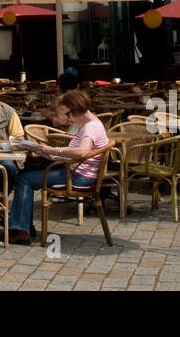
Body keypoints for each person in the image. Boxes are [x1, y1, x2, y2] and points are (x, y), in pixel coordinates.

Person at [7, 89, 108, 244]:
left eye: (68, 114)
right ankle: (23, 226)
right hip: (76, 171)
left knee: (24, 179)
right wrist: (46, 152)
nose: (68, 119)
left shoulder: (91, 127)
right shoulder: (92, 124)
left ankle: (20, 230)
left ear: (75, 110)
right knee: (27, 173)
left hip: (78, 177)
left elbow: (82, 152)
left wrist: (54, 151)